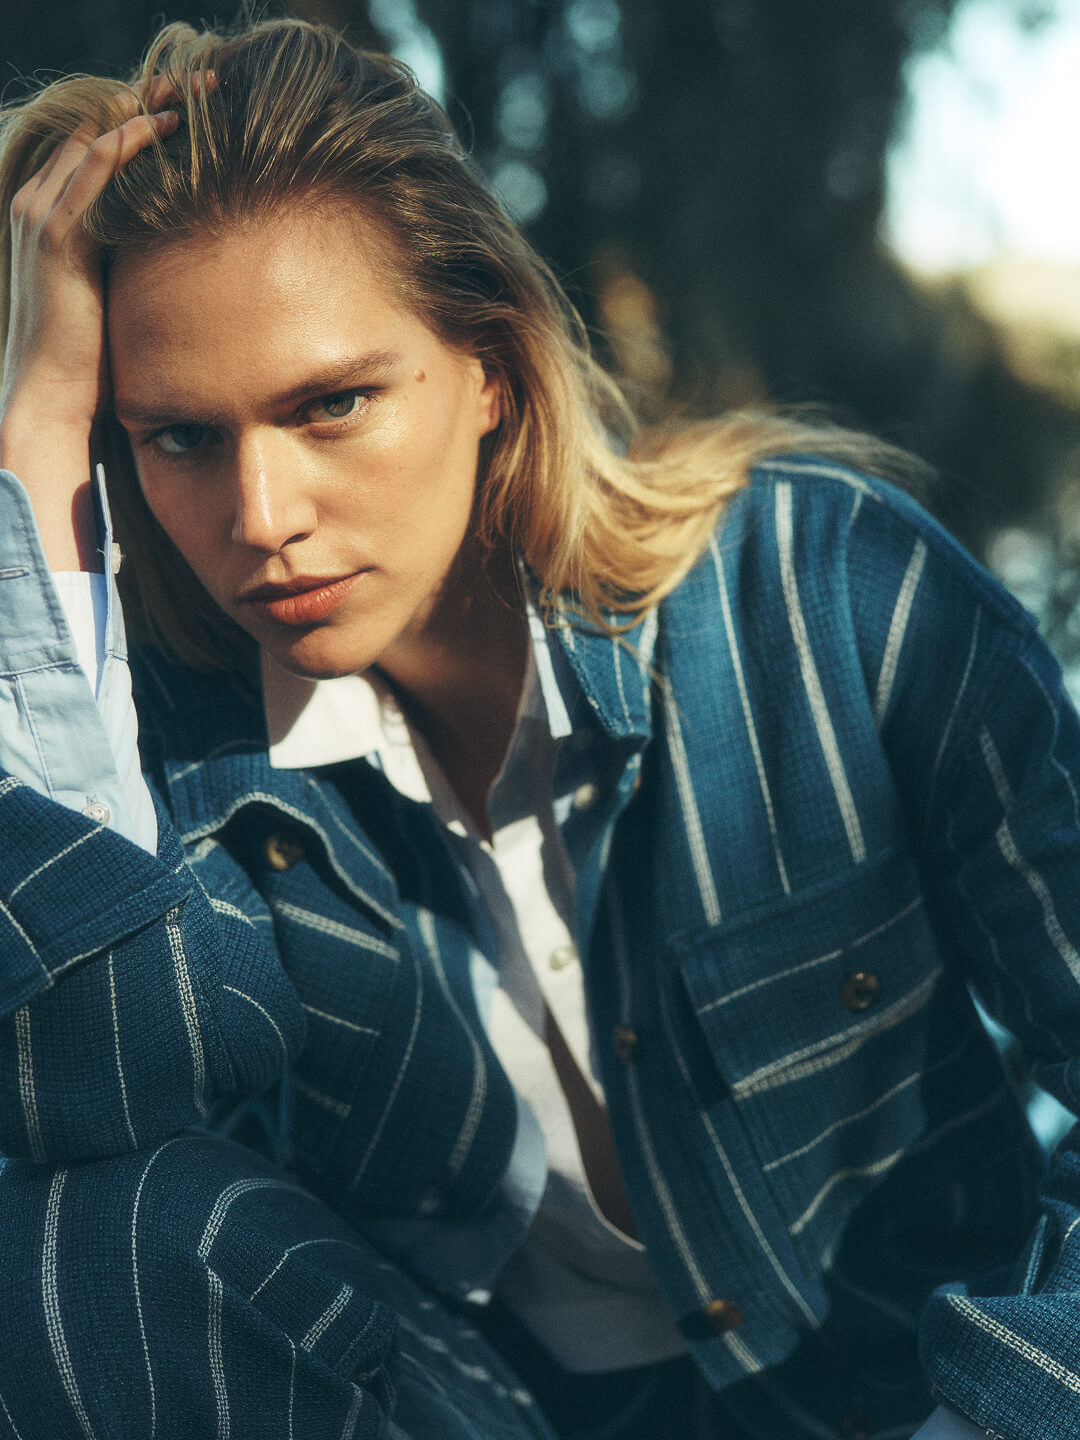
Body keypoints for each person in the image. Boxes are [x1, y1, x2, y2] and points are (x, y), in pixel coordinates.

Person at [0, 16, 1077, 1440]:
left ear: (491, 365)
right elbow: (92, 1098)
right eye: (179, 438)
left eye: (333, 405)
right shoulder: (188, 763)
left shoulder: (830, 600)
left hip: (921, 1404)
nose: (262, 520)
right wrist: (32, 421)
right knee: (93, 1228)